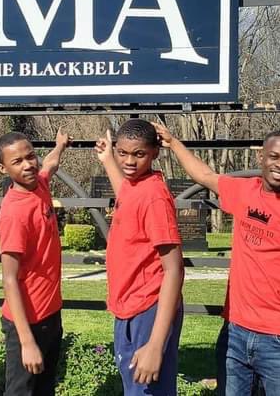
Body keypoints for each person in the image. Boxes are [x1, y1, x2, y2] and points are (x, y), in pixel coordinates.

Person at [153, 123, 280, 396]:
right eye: (274, 156)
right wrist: (174, 142)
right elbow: (204, 175)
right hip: (234, 332)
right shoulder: (244, 191)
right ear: (261, 157)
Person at [94, 119, 184, 395]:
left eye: (139, 154)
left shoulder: (155, 197)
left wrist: (156, 344)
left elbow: (174, 270)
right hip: (129, 307)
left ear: (155, 152)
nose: (129, 161)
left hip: (149, 309)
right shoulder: (135, 186)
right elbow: (126, 193)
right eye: (123, 153)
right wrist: (108, 160)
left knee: (146, 390)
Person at [0, 129, 72, 395]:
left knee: (44, 388)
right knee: (21, 391)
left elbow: (49, 164)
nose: (28, 164)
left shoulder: (39, 184)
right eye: (17, 161)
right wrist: (27, 342)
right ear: (3, 169)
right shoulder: (15, 213)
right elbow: (9, 279)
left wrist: (59, 145)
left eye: (30, 156)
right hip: (25, 323)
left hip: (50, 314)